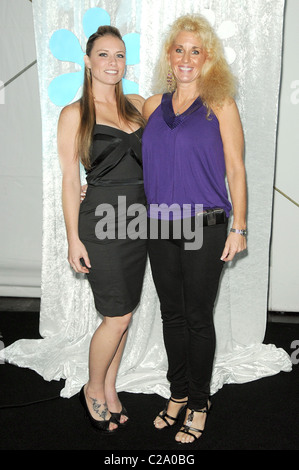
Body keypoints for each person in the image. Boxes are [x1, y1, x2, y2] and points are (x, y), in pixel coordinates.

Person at [142, 14, 247, 444]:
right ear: (170, 56)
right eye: (179, 49)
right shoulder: (152, 106)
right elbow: (134, 159)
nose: (186, 58)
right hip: (158, 226)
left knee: (198, 318)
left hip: (206, 226)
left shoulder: (220, 104)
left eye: (195, 51)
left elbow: (237, 169)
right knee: (172, 315)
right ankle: (178, 393)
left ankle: (200, 402)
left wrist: (238, 227)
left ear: (208, 59)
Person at [57, 25, 147, 434]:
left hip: (139, 222)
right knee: (117, 315)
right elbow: (69, 180)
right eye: (104, 55)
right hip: (102, 223)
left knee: (124, 313)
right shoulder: (75, 113)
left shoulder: (137, 106)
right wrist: (73, 237)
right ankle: (92, 389)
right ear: (89, 62)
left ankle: (111, 387)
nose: (113, 62)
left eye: (120, 55)